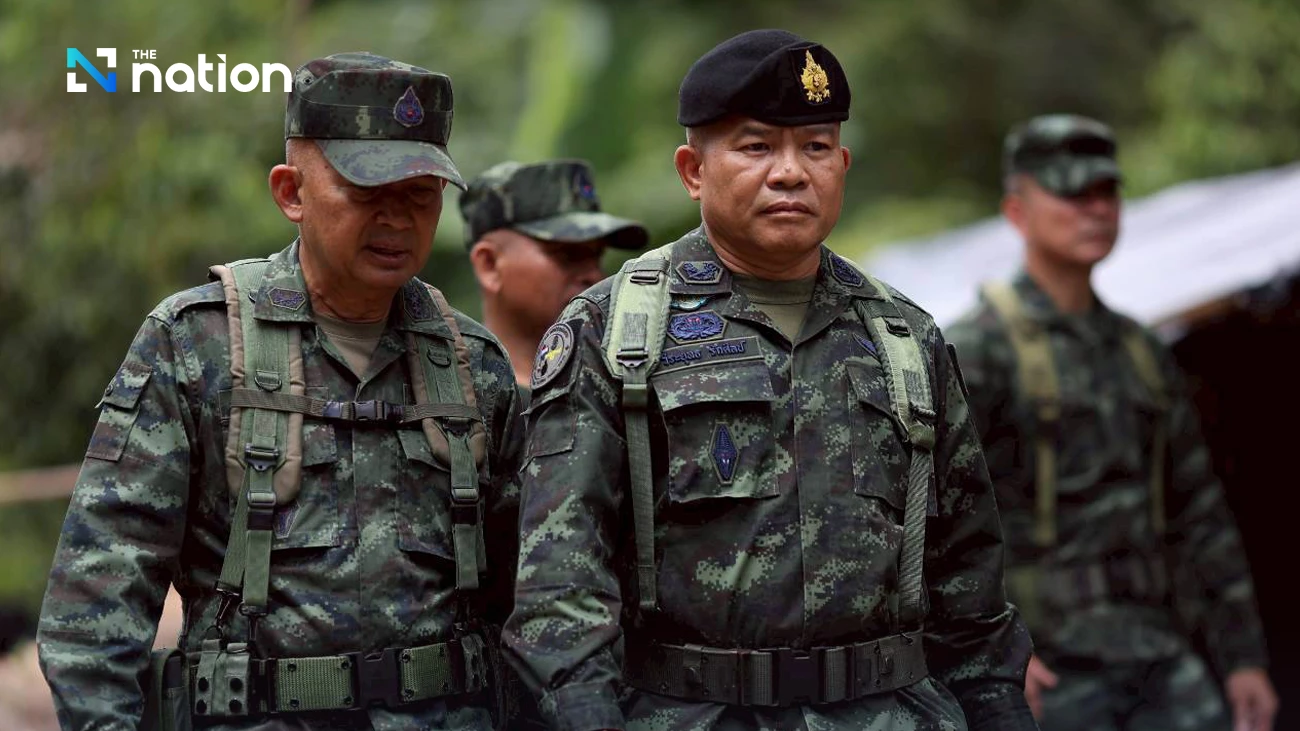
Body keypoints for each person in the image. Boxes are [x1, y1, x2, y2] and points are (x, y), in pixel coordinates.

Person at [503, 29, 1035, 731]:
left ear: (842, 163)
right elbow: (562, 585)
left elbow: (969, 582)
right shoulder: (615, 331)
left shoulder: (905, 337)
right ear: (693, 170)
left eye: (815, 147)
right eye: (756, 147)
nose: (791, 172)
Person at [37, 52, 524, 729]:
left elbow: (529, 604)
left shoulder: (475, 365)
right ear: (291, 191)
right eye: (367, 193)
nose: (397, 220)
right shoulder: (194, 345)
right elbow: (95, 603)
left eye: (419, 196)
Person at [945, 113, 1278, 731]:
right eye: (1072, 194)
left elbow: (1198, 513)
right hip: (1051, 669)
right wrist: (987, 651)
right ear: (1017, 212)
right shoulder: (979, 349)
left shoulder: (1140, 350)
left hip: (1159, 654)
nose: (1095, 210)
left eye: (1106, 193)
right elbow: (936, 517)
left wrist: (1243, 658)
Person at [460, 159, 648, 391]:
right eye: (568, 254)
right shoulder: (448, 391)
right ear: (489, 265)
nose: (594, 275)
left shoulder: (629, 382)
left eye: (596, 256)